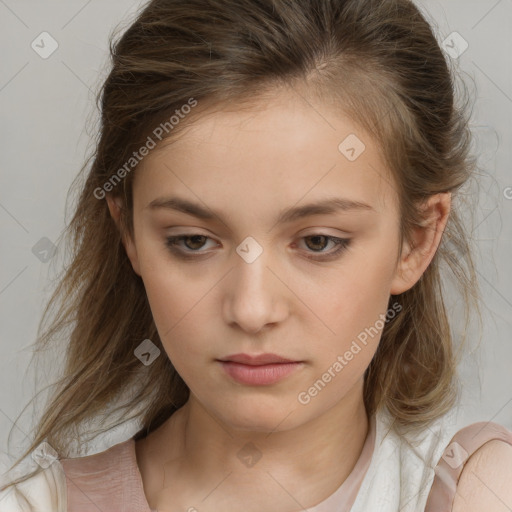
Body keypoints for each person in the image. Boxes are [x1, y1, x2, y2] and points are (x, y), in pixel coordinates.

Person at [1, 0, 512, 511]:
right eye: (193, 241)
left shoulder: (479, 493)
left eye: (318, 242)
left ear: (416, 240)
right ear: (129, 234)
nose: (251, 309)